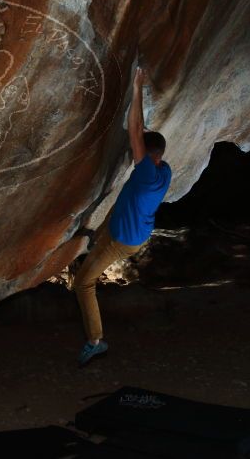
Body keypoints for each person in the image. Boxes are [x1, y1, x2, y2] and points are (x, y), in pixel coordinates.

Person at [73, 67, 172, 366]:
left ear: (147, 157)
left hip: (122, 240)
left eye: (139, 152)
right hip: (133, 229)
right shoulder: (163, 170)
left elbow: (135, 129)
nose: (133, 153)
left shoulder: (145, 174)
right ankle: (93, 240)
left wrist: (137, 86)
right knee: (118, 208)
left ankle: (95, 341)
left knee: (83, 283)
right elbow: (143, 137)